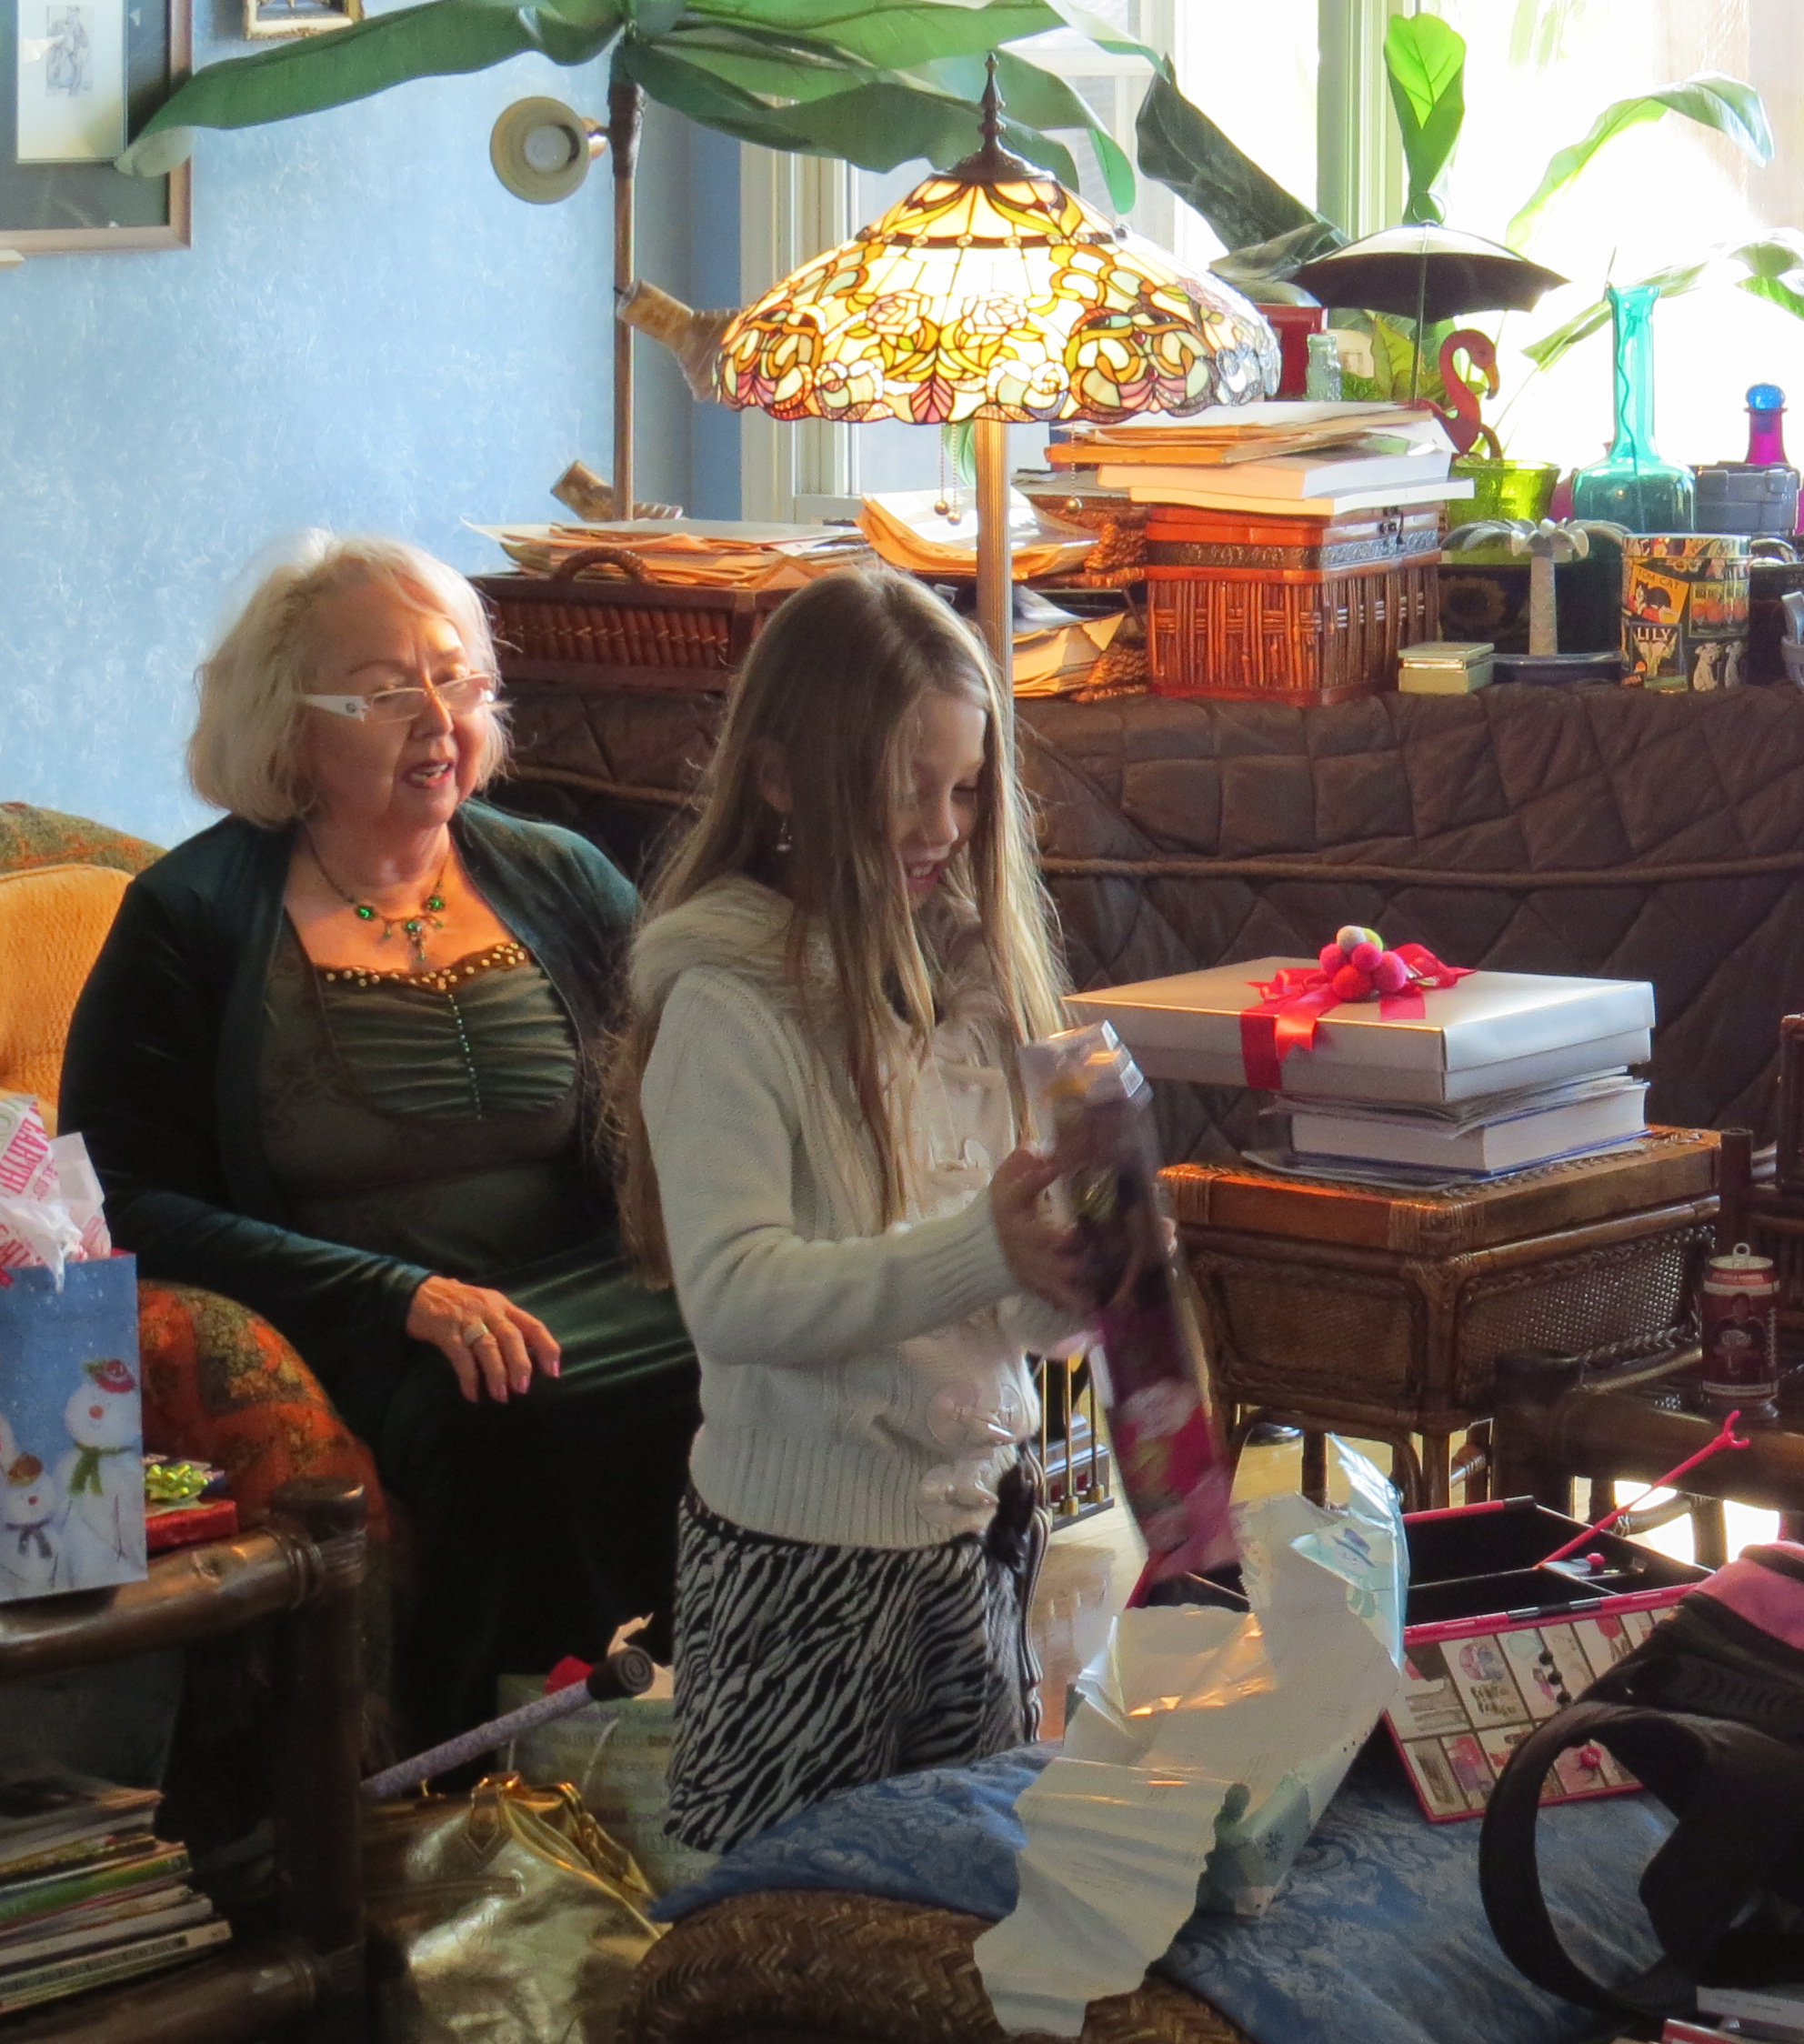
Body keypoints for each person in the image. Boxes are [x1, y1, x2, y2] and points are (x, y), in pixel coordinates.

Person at [65, 532, 701, 1746]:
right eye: (384, 692)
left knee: (750, 1347)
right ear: (289, 727)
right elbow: (116, 1198)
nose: (437, 720)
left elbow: (693, 1075)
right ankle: (503, 1761)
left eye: (455, 680)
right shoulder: (189, 917)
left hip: (590, 1285)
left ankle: (728, 1725)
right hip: (363, 1324)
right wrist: (399, 1295)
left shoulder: (560, 875)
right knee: (510, 1403)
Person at [608, 567, 1087, 1852]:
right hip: (796, 1569)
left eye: (967, 788)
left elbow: (1001, 1307)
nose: (941, 826)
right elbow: (735, 1294)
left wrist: (1067, 1279)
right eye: (904, 787)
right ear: (780, 778)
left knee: (961, 1916)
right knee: (784, 1924)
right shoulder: (727, 1005)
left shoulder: (974, 994)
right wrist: (982, 1246)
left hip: (976, 1540)